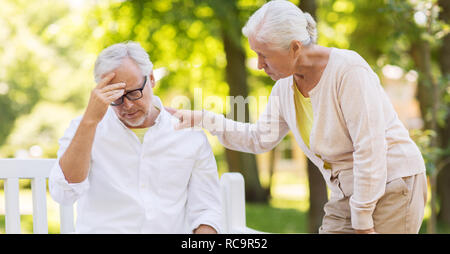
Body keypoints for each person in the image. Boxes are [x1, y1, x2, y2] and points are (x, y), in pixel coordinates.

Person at [169, 0, 427, 234]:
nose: (259, 64)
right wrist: (203, 119)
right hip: (347, 194)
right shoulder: (284, 89)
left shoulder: (348, 70)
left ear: (295, 48)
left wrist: (362, 222)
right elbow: (259, 138)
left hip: (392, 183)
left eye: (264, 55)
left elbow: (369, 148)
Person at [49, 41, 222, 234]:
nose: (128, 106)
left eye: (133, 93)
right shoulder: (84, 128)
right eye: (116, 98)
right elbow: (64, 193)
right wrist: (90, 122)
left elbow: (207, 211)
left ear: (152, 79)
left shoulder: (189, 136)